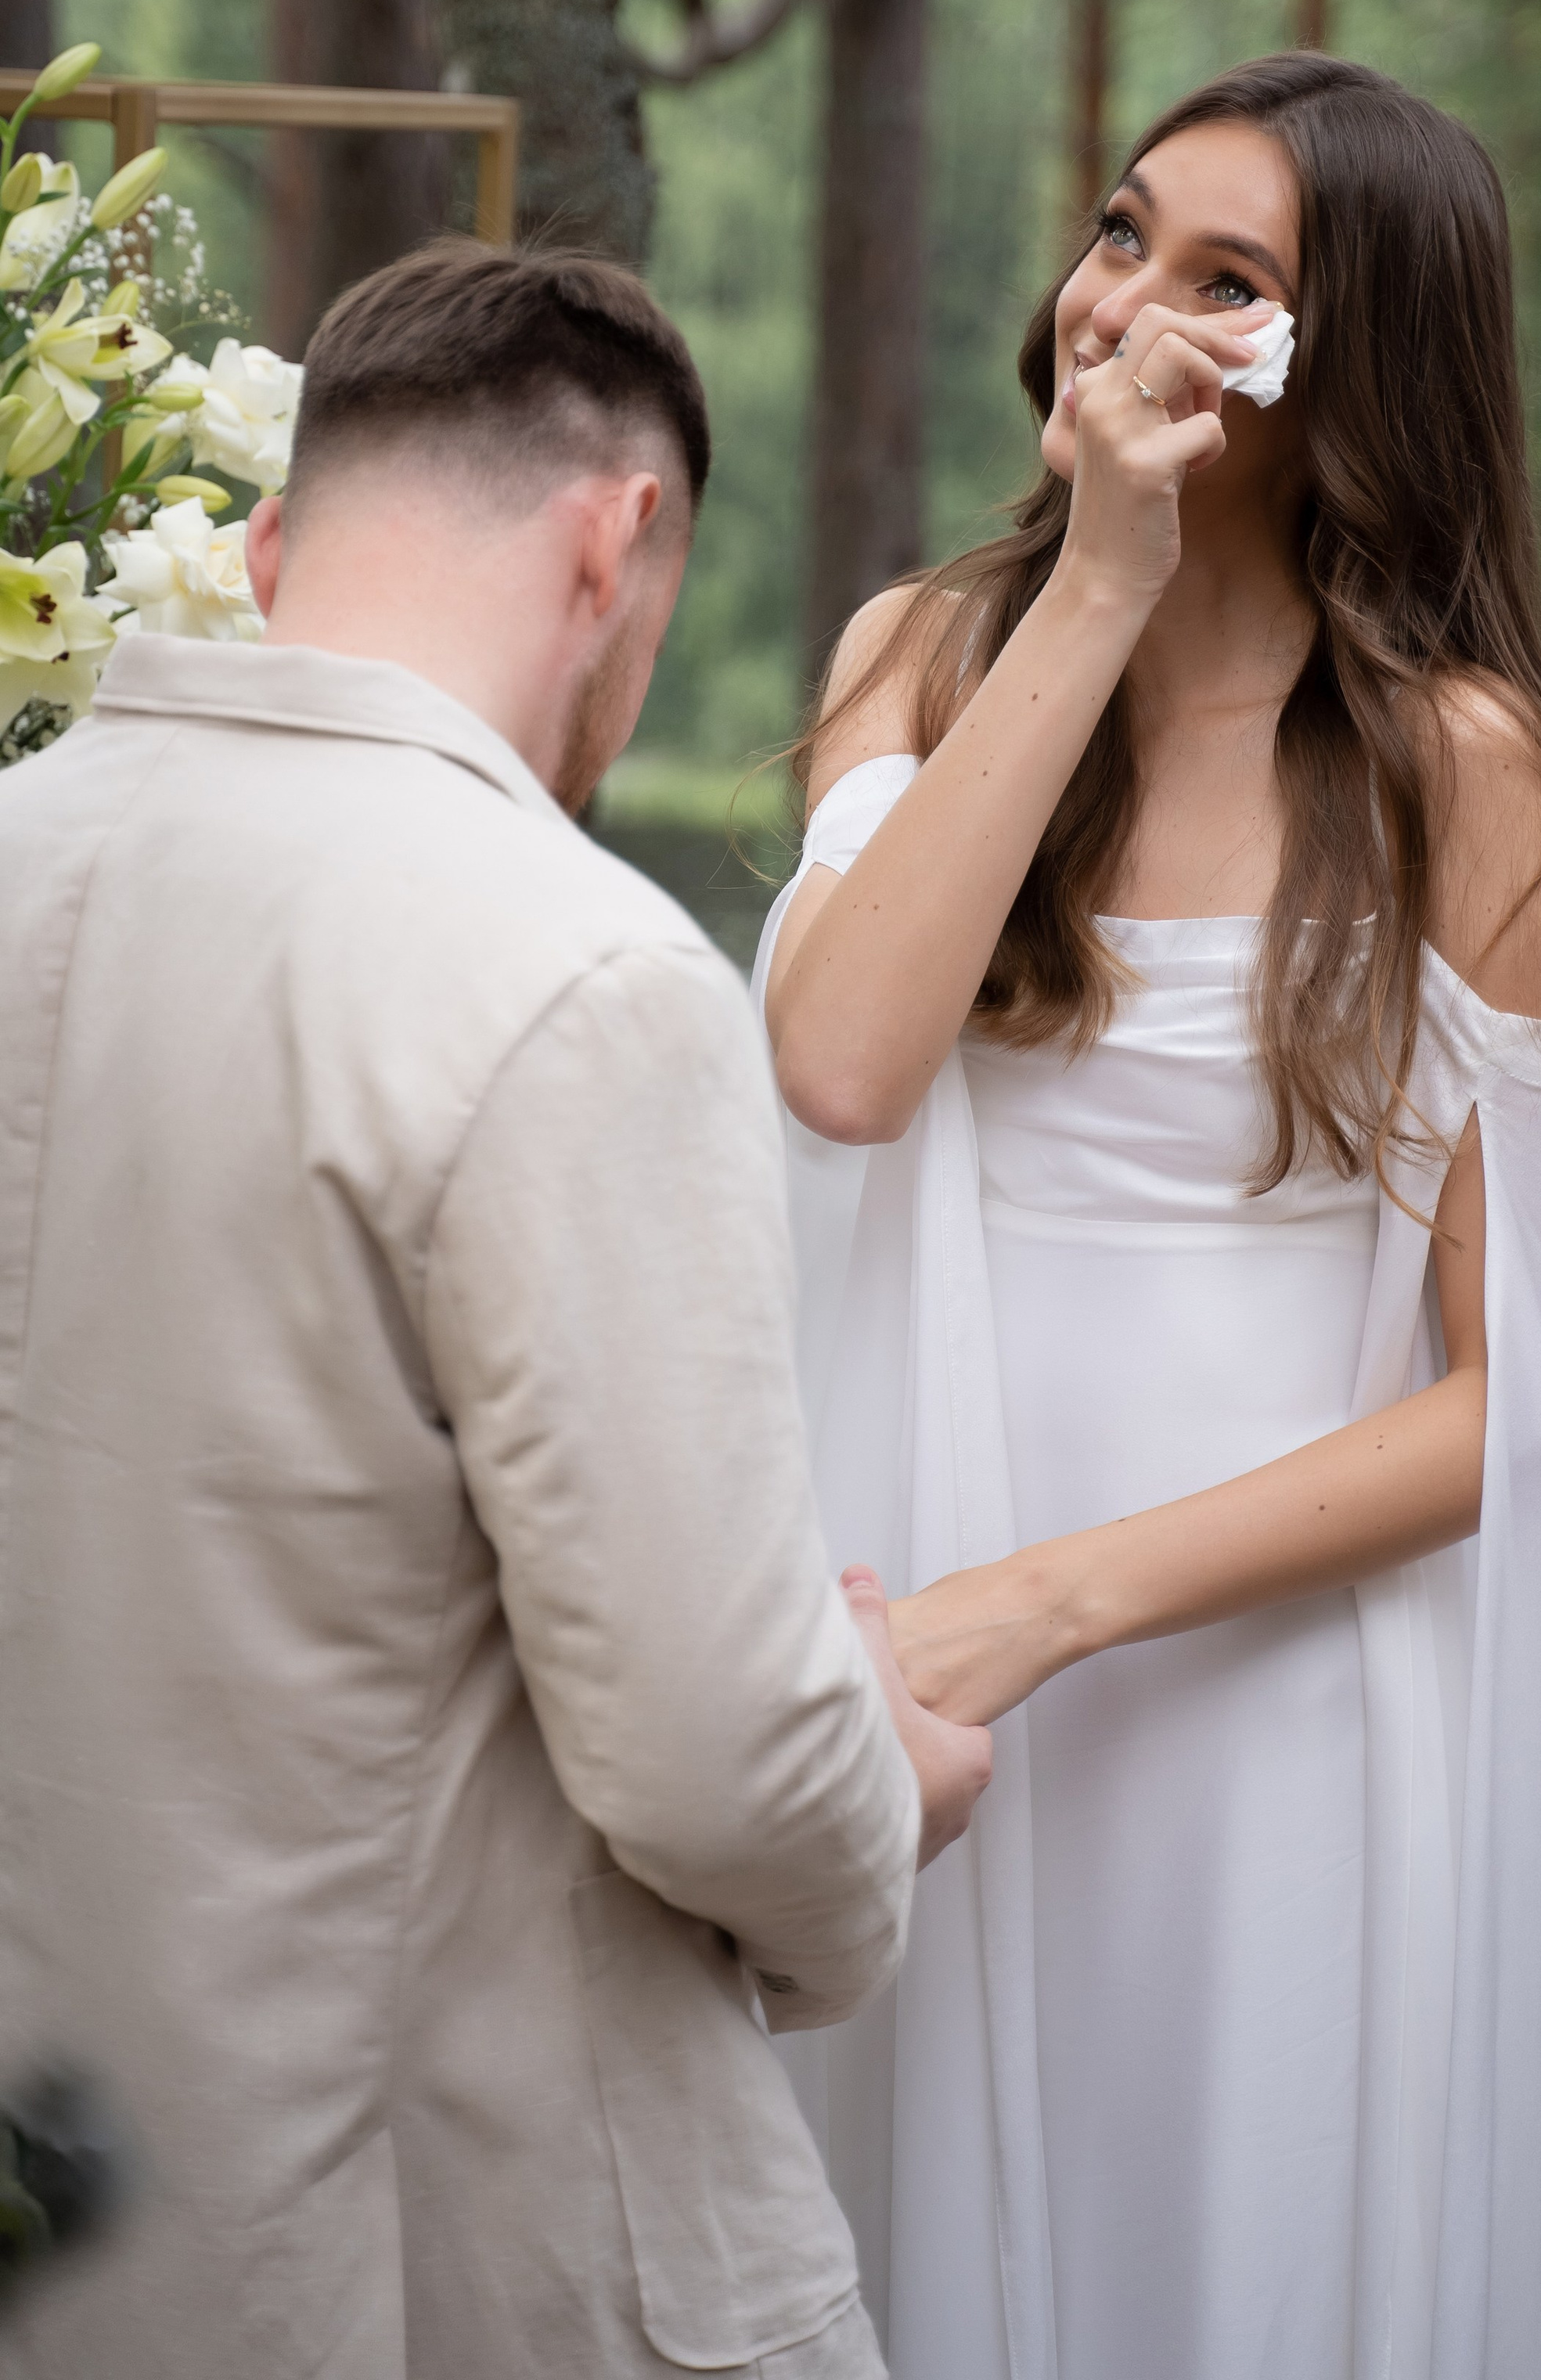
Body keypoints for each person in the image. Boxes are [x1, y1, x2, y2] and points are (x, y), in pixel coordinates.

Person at [757, 54, 1541, 2380]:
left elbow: (1523, 1404)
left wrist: (1051, 1609)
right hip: (920, 1668)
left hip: (1259, 1710)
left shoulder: (1459, 774)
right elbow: (844, 1068)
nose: (1125, 307)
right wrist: (1098, 589)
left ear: (1347, 371)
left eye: (1229, 283)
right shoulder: (926, 658)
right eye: (1119, 233)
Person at [0, 240, 991, 2380]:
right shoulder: (577, 976)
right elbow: (722, 1748)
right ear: (619, 537)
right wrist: (886, 1777)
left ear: (268, 545)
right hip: (449, 2212)